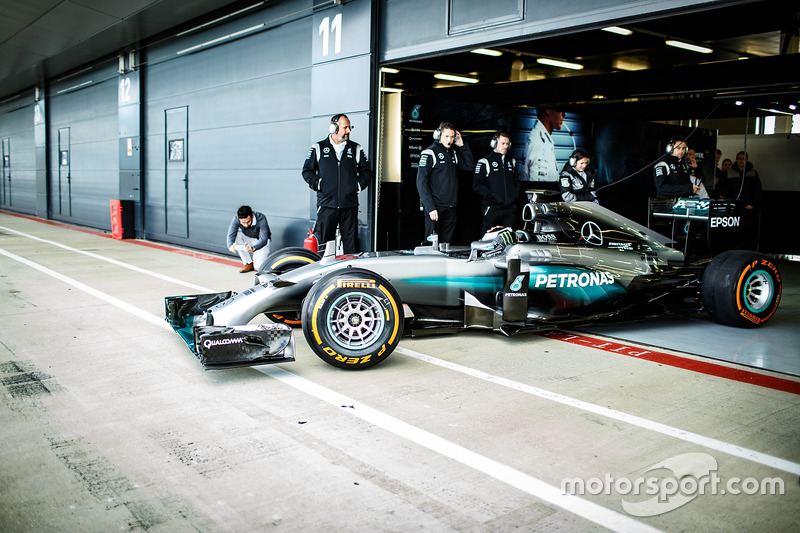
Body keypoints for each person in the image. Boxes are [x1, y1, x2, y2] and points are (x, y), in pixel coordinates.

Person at [302, 113, 371, 254]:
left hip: (349, 205)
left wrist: (357, 186)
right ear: (334, 128)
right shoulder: (318, 148)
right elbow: (307, 171)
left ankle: (349, 273)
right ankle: (323, 273)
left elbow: (367, 172)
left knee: (351, 246)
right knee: (325, 246)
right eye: (345, 127)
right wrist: (319, 185)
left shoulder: (356, 148)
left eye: (349, 127)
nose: (349, 131)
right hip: (327, 205)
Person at [416, 121, 474, 244]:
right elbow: (421, 182)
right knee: (430, 246)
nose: (449, 140)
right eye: (446, 136)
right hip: (435, 208)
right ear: (439, 136)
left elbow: (470, 166)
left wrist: (462, 146)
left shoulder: (453, 153)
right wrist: (430, 207)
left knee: (445, 245)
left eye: (452, 137)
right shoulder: (429, 153)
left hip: (451, 207)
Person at [473, 131, 519, 234]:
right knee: (488, 239)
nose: (505, 146)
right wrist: (491, 195)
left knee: (509, 238)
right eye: (503, 143)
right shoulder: (485, 161)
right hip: (492, 208)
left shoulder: (512, 161)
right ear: (494, 143)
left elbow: (516, 182)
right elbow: (477, 184)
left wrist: (513, 196)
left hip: (509, 209)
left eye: (507, 144)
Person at [523, 107, 565, 184]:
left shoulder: (543, 138)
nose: (564, 114)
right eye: (560, 109)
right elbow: (537, 186)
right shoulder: (539, 141)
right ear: (548, 110)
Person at [226, 205, 271, 273]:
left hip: (261, 241)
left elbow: (264, 239)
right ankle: (248, 263)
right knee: (236, 236)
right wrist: (230, 246)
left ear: (252, 216)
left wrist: (253, 248)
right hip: (248, 239)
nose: (246, 225)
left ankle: (261, 261)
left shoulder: (261, 218)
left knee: (258, 267)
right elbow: (231, 234)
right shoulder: (236, 219)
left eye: (248, 222)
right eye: (243, 223)